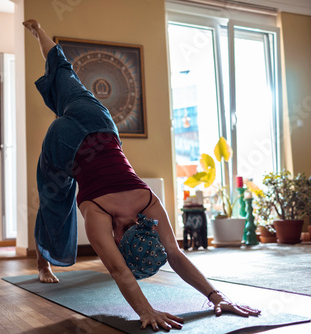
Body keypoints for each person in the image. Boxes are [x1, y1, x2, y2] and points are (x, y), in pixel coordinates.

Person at [24, 19, 261, 331]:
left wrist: (217, 296)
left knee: (64, 70)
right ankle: (44, 263)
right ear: (121, 239)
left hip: (98, 122)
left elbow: (174, 254)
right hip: (62, 143)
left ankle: (39, 31)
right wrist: (151, 311)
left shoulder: (149, 202)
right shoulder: (97, 215)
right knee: (55, 200)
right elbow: (122, 271)